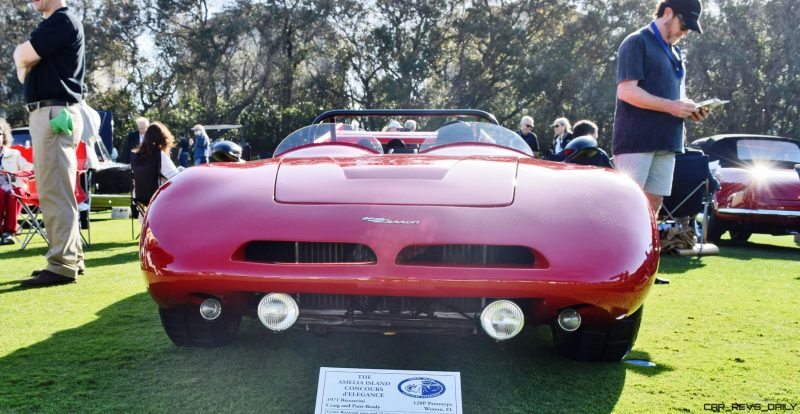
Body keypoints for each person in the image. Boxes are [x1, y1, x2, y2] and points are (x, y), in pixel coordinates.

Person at [612, 0, 709, 284]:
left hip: (667, 142)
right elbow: (627, 92)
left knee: (652, 207)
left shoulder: (675, 51)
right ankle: (616, 272)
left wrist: (690, 110)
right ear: (668, 12)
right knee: (627, 207)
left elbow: (674, 98)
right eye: (684, 24)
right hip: (636, 141)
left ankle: (643, 272)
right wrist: (671, 106)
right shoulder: (636, 42)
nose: (686, 32)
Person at [14, 0, 86, 287]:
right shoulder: (59, 23)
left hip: (54, 114)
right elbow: (22, 63)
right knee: (58, 189)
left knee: (54, 190)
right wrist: (24, 63)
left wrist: (24, 61)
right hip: (55, 113)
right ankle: (72, 258)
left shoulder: (62, 21)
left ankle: (62, 265)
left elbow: (22, 55)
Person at [132, 122, 183, 207]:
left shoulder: (136, 155)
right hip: (157, 199)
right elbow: (175, 177)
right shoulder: (159, 155)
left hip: (139, 197)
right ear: (163, 139)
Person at [0, 118, 34, 245]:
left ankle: (9, 232)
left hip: (15, 187)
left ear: (3, 136)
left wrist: (13, 174)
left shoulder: (14, 154)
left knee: (14, 192)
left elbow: (29, 169)